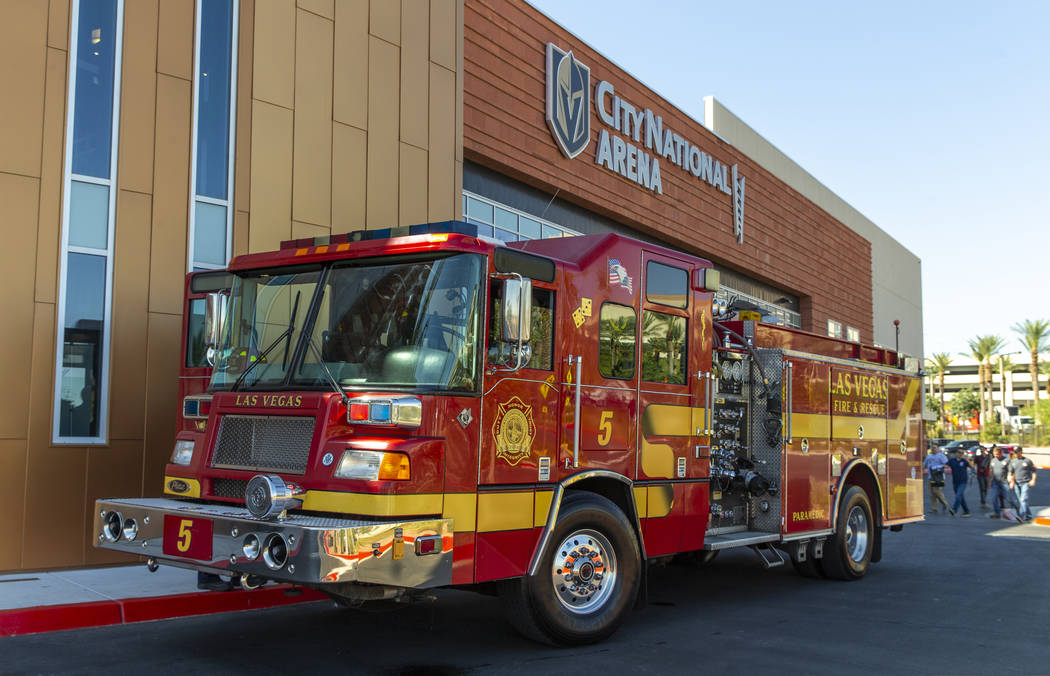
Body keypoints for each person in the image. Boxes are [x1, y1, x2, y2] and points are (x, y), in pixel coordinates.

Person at [1008, 446, 1038, 521]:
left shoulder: (1027, 461)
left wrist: (1033, 480)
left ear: (1021, 452)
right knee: (1021, 501)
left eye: (1016, 452)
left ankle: (1021, 516)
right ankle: (1028, 515)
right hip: (1017, 484)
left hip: (1026, 483)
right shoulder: (1013, 462)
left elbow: (1034, 472)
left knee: (1023, 499)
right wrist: (1011, 481)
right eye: (1014, 452)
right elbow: (1010, 473)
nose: (1015, 454)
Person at [987, 445, 1016, 518]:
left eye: (997, 454)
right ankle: (997, 513)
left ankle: (1017, 509)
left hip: (1004, 482)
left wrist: (1011, 480)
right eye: (995, 454)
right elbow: (991, 471)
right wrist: (990, 481)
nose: (996, 456)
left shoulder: (1007, 460)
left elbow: (1010, 471)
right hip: (995, 482)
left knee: (1008, 497)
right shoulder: (993, 460)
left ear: (1001, 453)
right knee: (994, 497)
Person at [923, 446, 951, 514]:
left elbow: (947, 465)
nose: (933, 449)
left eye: (935, 448)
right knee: (932, 493)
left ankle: (945, 504)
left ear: (938, 449)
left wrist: (938, 467)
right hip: (930, 477)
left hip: (939, 477)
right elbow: (924, 464)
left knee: (937, 491)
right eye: (932, 448)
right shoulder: (928, 456)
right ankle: (934, 508)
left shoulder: (941, 456)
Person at [946, 449, 973, 517]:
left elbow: (972, 466)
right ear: (956, 453)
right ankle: (966, 511)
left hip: (963, 481)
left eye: (962, 453)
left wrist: (967, 460)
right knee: (960, 497)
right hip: (955, 481)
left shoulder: (964, 461)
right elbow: (945, 465)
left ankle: (954, 510)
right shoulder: (952, 460)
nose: (960, 454)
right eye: (959, 452)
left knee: (958, 495)